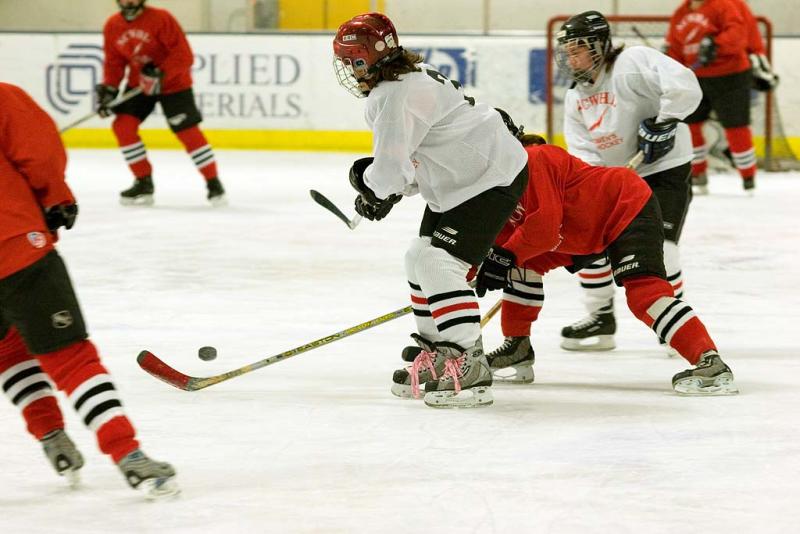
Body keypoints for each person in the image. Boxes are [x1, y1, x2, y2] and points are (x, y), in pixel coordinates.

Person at [332, 12, 529, 408]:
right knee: (418, 256)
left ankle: (468, 361)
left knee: (440, 264)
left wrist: (372, 189)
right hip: (461, 179)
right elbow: (413, 160)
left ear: (372, 57)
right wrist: (386, 189)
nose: (351, 71)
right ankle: (440, 353)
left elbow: (387, 171)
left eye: (354, 60)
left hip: (490, 177)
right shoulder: (409, 77)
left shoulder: (393, 95)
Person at [0, 82, 179, 498]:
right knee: (71, 357)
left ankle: (51, 438)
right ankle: (128, 454)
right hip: (13, 244)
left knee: (7, 349)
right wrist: (57, 199)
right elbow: (39, 153)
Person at [473, 115, 738, 396]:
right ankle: (517, 348)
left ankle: (709, 362)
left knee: (644, 295)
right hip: (580, 233)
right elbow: (495, 247)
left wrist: (503, 258)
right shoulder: (492, 185)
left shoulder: (535, 158)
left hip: (623, 206)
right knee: (518, 265)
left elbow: (542, 231)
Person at [525, 10, 701, 357]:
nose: (572, 57)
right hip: (618, 183)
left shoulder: (632, 62)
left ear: (601, 45)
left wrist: (665, 122)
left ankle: (673, 321)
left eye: (579, 48)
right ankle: (600, 317)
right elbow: (584, 153)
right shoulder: (576, 98)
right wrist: (592, 190)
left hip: (665, 170)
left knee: (662, 248)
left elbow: (684, 83)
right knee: (587, 242)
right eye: (568, 51)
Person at [97, 0, 226, 206]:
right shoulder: (112, 25)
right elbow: (114, 62)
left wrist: (161, 72)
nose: (129, 1)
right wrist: (109, 90)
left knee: (187, 132)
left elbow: (184, 55)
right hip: (140, 85)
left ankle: (213, 182)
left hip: (174, 84)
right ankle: (143, 181)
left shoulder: (161, 18)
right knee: (123, 126)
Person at [665, 0, 757, 193]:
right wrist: (672, 65)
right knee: (690, 125)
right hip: (696, 78)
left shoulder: (723, 5)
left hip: (731, 75)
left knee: (736, 126)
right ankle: (698, 174)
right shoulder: (680, 13)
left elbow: (738, 34)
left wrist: (716, 45)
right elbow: (675, 46)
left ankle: (748, 176)